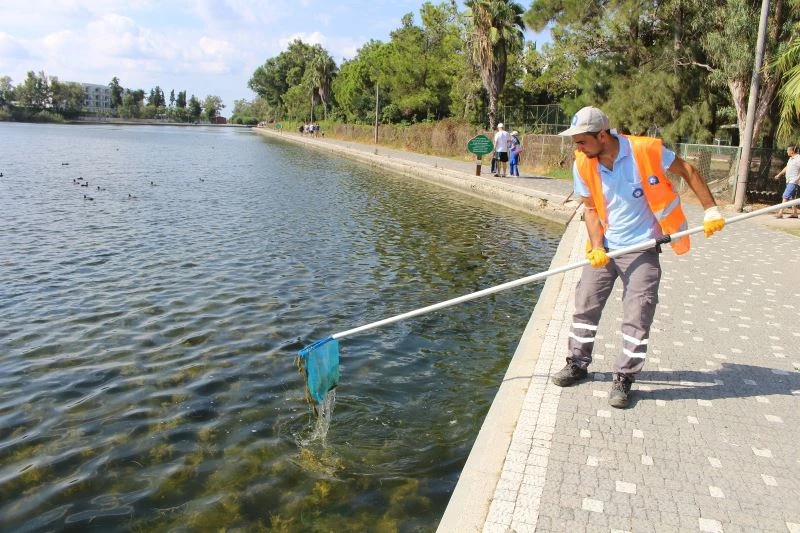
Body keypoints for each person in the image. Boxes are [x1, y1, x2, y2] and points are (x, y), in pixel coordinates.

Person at [552, 106, 725, 408]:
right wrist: (596, 246)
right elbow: (591, 208)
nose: (576, 147)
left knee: (638, 315)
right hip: (607, 246)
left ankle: (624, 378)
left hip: (643, 248)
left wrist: (711, 209)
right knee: (586, 305)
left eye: (581, 141)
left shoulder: (645, 151)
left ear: (602, 135)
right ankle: (577, 363)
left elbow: (688, 170)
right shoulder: (583, 163)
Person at [773, 144, 800, 218]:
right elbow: (787, 167)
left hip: (794, 181)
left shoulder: (798, 159)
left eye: (788, 150)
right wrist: (779, 174)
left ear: (792, 151)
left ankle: (780, 213)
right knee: (792, 198)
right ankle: (795, 213)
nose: (787, 151)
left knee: (785, 196)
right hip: (788, 180)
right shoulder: (791, 159)